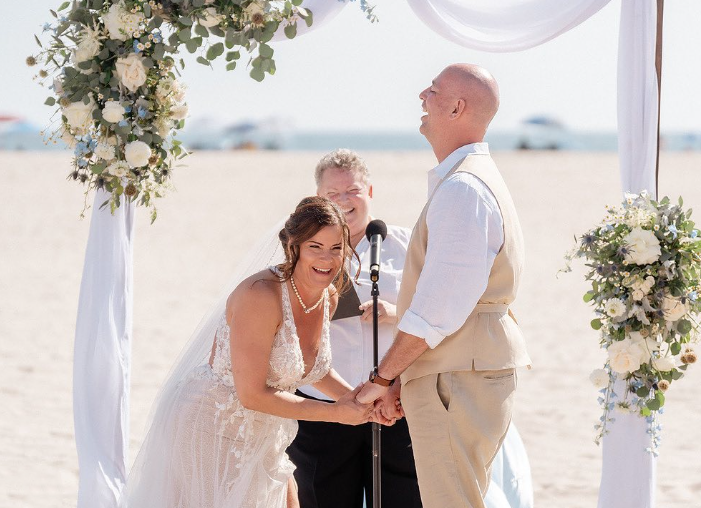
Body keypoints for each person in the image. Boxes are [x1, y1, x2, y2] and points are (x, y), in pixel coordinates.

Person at [121, 196, 379, 508]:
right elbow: (253, 395)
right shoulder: (260, 296)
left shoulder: (330, 296)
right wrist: (336, 414)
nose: (327, 259)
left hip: (266, 431)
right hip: (211, 425)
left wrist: (361, 401)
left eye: (336, 248)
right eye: (315, 247)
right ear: (294, 246)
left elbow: (313, 368)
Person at [357, 63, 532, 508]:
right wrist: (405, 380)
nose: (422, 95)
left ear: (457, 107)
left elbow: (437, 310)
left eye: (433, 91)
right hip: (458, 372)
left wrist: (383, 377)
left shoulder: (464, 190)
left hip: (457, 379)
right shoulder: (470, 182)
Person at [286, 149, 422, 508]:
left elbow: (435, 311)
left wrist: (396, 312)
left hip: (396, 405)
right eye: (333, 194)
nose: (344, 201)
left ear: (370, 192)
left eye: (353, 191)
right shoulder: (305, 251)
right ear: (319, 198)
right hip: (325, 408)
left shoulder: (409, 245)